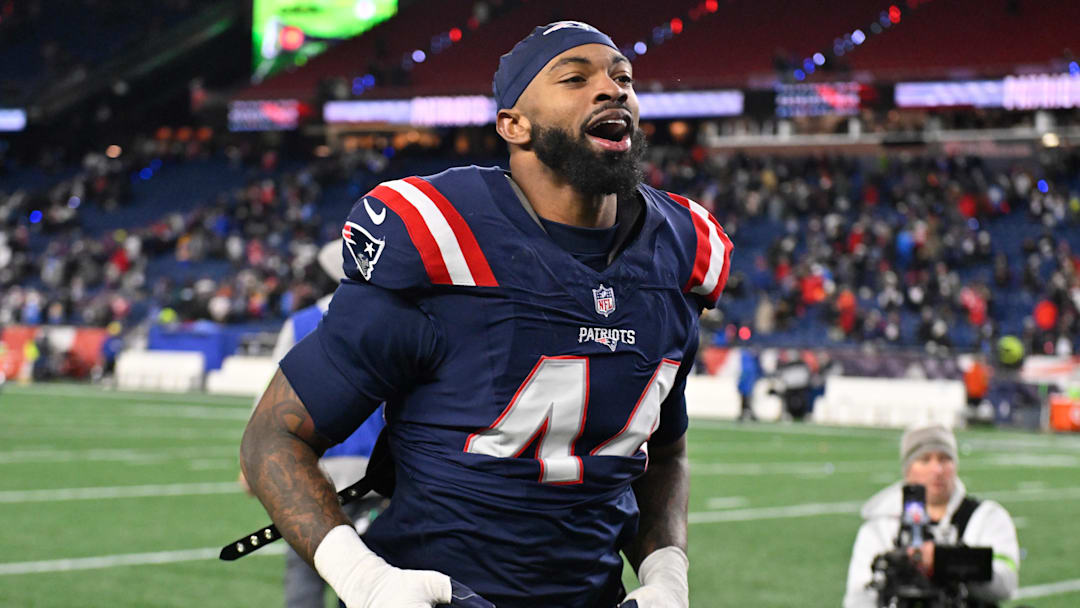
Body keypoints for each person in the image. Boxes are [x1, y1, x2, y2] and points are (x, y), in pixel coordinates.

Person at [239, 20, 732, 608]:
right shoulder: (444, 238)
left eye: (623, 77)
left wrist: (664, 572)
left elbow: (664, 448)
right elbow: (273, 436)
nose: (612, 89)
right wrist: (366, 581)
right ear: (512, 124)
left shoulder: (679, 251)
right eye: (576, 78)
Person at [238, 240, 387, 608]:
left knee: (305, 580)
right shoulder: (400, 319)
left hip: (312, 474)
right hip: (382, 477)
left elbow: (272, 403)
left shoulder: (303, 322)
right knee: (373, 588)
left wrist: (253, 467)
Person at [843, 424, 1020, 608]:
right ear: (908, 468)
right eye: (925, 459)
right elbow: (859, 599)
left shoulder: (986, 517)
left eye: (944, 459)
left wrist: (947, 561)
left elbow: (1006, 583)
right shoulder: (880, 526)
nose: (937, 470)